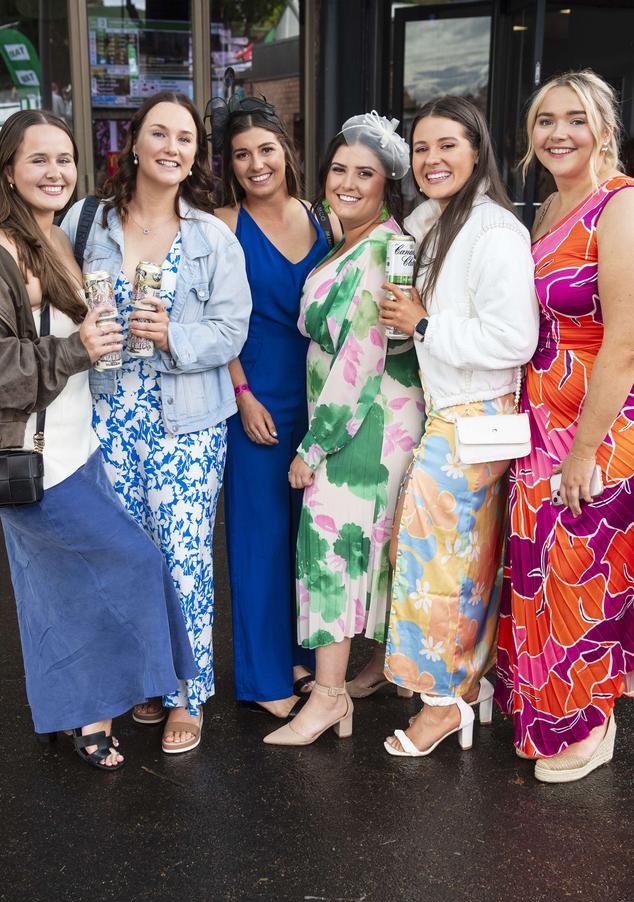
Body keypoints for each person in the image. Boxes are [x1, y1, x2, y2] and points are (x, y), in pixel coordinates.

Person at [0, 110, 196, 770]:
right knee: (134, 561)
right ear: (9, 172)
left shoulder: (57, 240)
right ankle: (97, 713)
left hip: (80, 448)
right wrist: (76, 348)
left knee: (56, 592)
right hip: (35, 462)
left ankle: (72, 713)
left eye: (65, 159)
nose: (55, 172)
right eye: (38, 159)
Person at [61, 91, 250, 754]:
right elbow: (52, 303)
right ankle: (139, 677)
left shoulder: (211, 236)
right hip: (105, 416)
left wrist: (174, 335)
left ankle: (186, 692)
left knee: (184, 558)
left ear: (196, 155)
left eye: (187, 139)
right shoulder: (86, 224)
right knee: (122, 556)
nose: (173, 148)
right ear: (133, 144)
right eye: (160, 134)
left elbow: (232, 329)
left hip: (186, 425)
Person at [379, 96, 539, 758]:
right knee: (448, 562)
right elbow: (403, 225)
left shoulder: (496, 231)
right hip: (453, 417)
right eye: (420, 148)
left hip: (473, 417)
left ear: (478, 151)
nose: (432, 159)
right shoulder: (439, 220)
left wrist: (422, 324)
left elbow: (514, 338)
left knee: (439, 566)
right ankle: (463, 690)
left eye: (448, 145)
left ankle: (443, 705)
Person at [263, 111, 424, 747]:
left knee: (330, 545)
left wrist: (315, 446)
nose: (348, 182)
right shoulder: (348, 239)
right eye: (339, 170)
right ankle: (374, 669)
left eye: (366, 172)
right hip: (363, 418)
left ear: (388, 181)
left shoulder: (382, 249)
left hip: (365, 424)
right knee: (364, 544)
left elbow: (361, 356)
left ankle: (328, 698)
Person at [495, 70, 634, 782]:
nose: (557, 133)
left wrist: (582, 451)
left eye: (575, 119)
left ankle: (590, 721)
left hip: (595, 423)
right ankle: (548, 708)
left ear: (603, 128)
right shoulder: (549, 205)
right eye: (545, 120)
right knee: (538, 570)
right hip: (536, 415)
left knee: (582, 573)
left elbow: (625, 342)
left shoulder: (620, 206)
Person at [211, 96, 329, 718]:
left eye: (266, 149)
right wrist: (242, 393)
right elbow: (210, 317)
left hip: (316, 397)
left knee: (305, 538)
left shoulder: (322, 217)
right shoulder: (224, 224)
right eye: (241, 155)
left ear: (286, 151)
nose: (257, 164)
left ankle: (299, 659)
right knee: (260, 538)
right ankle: (263, 679)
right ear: (229, 165)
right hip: (253, 398)